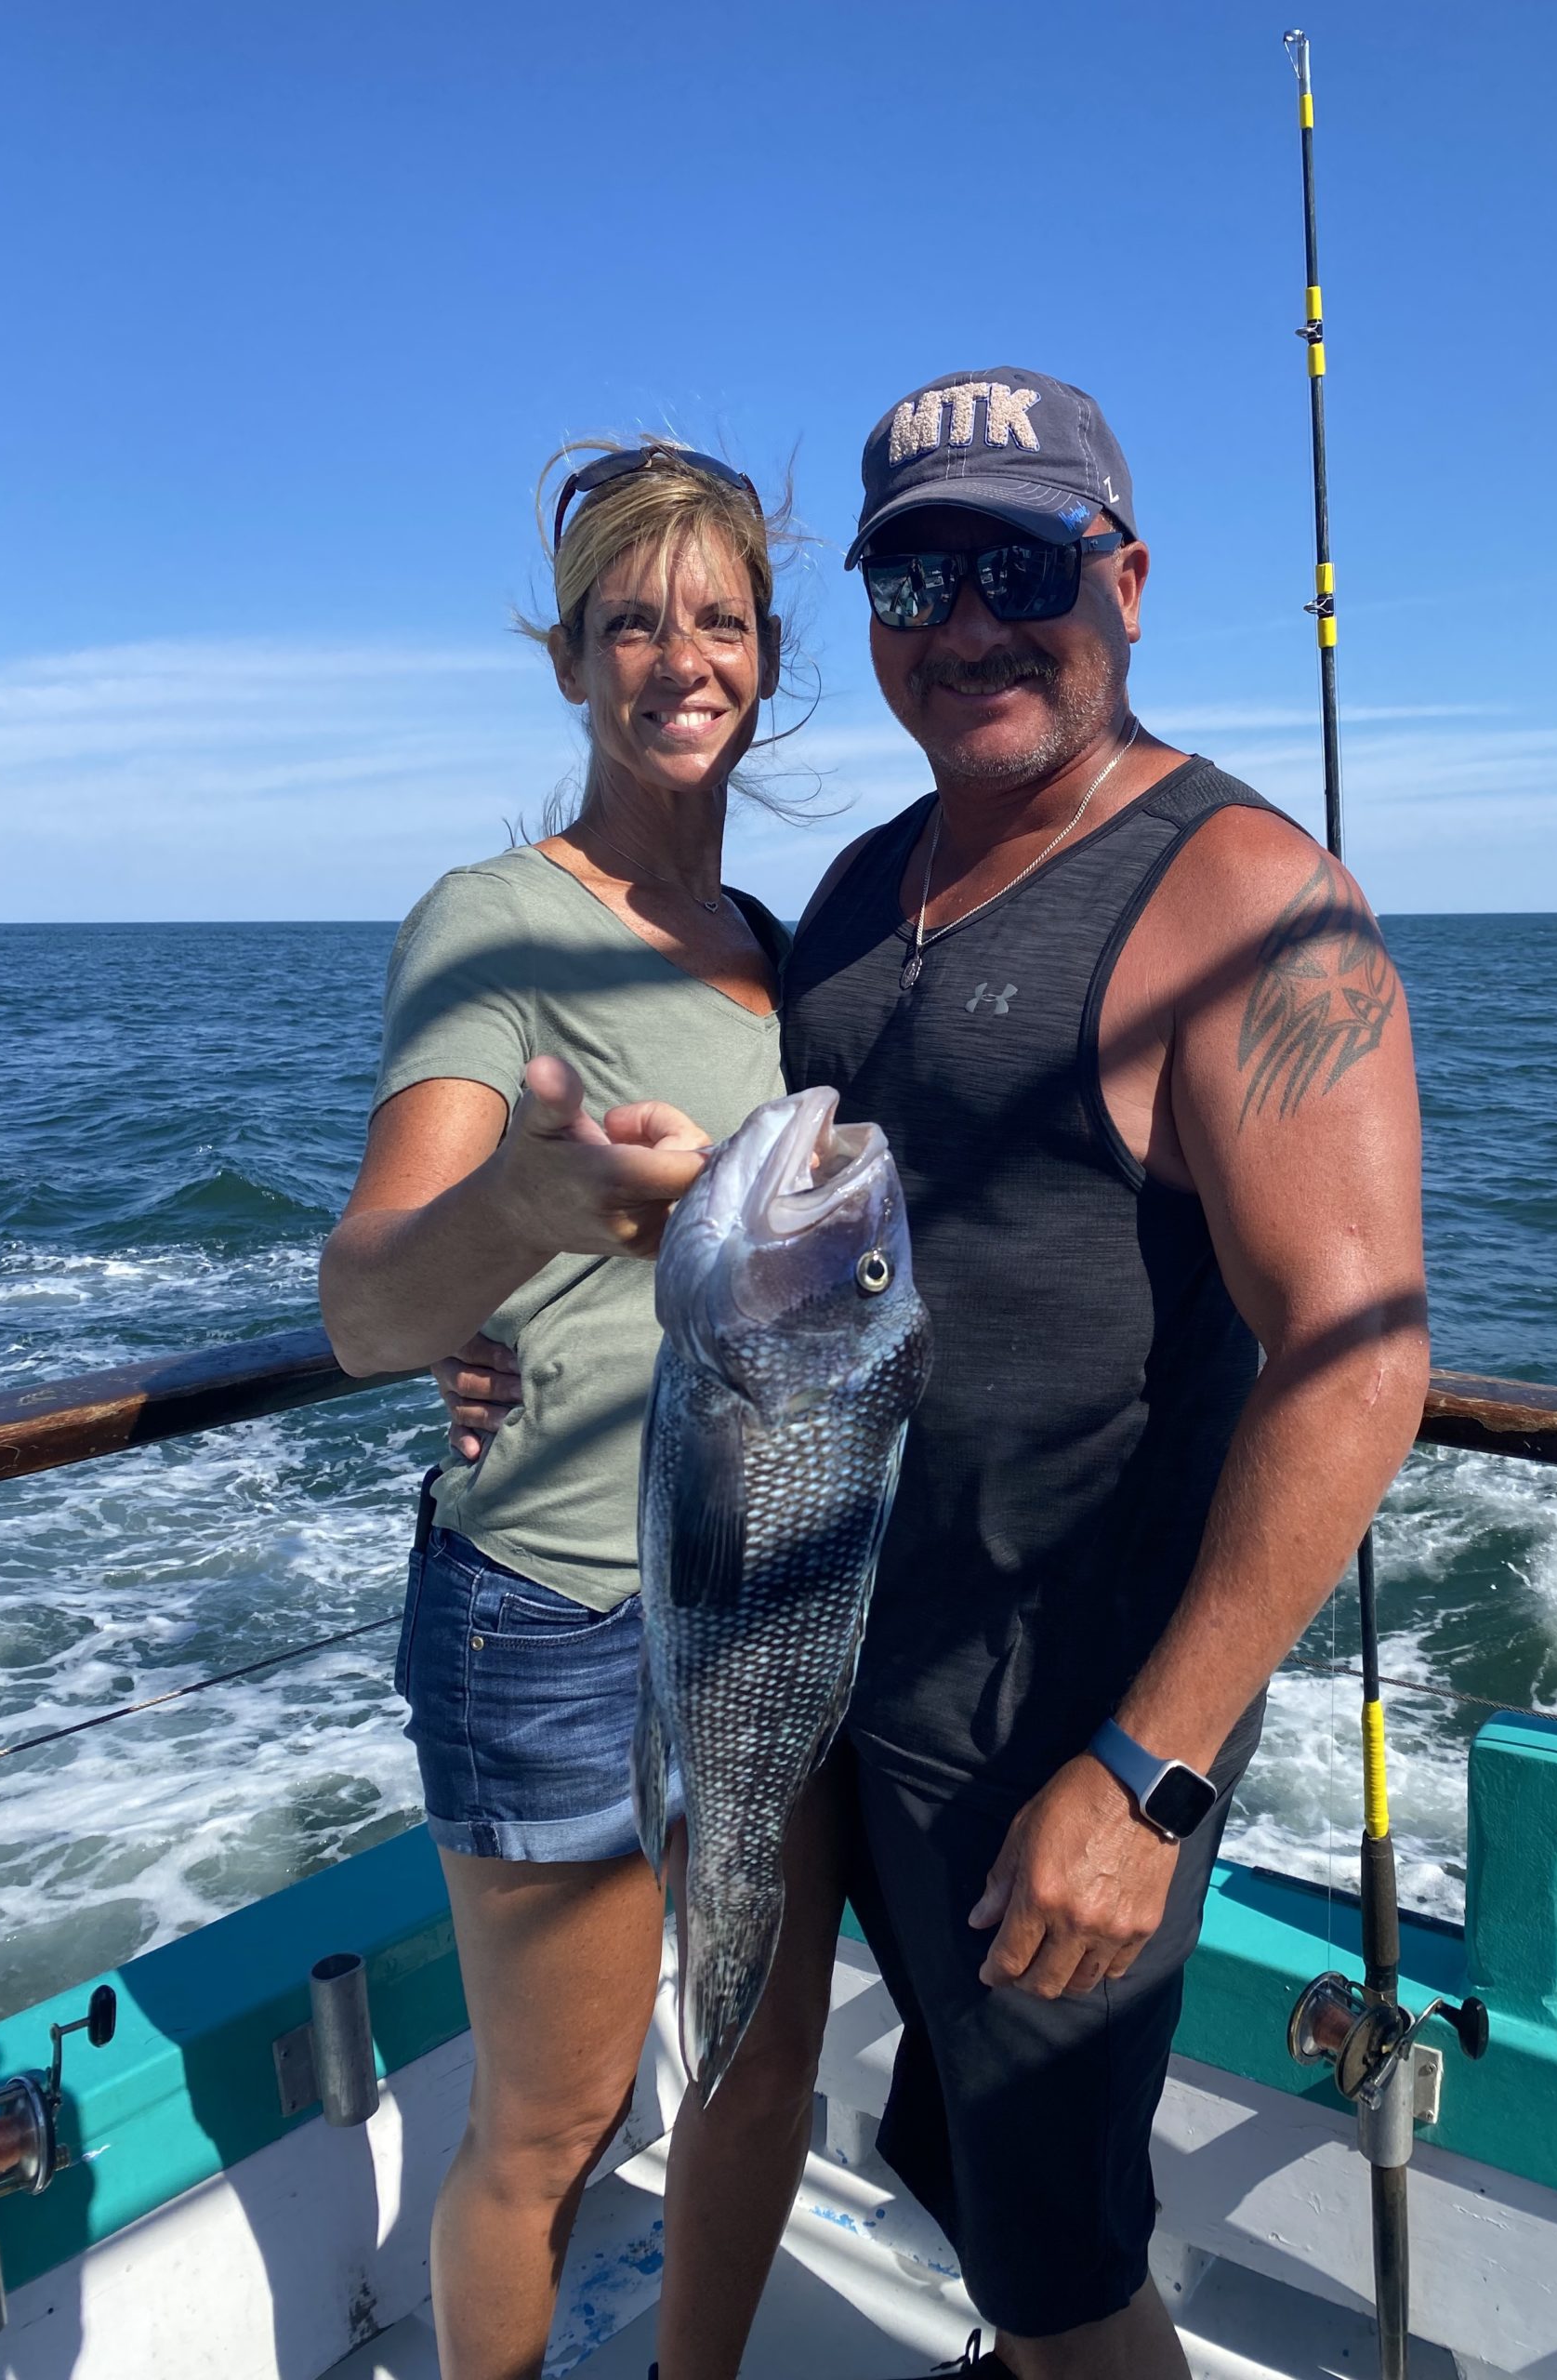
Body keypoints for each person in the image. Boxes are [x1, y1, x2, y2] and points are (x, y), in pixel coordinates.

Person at [439, 369, 1430, 2380]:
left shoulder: (1250, 901)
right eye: (916, 575)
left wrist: (1145, 1774)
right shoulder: (868, 889)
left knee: (1066, 2280)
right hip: (825, 1677)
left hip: (1059, 1740)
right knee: (965, 2178)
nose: (970, 620)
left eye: (1021, 563)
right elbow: (763, 1235)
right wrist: (510, 1312)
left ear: (1125, 579)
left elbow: (1357, 1362)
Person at [319, 440, 843, 2380]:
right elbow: (370, 1302)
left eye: (716, 617)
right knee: (556, 2120)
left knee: (760, 2046)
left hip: (767, 1595)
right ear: (574, 661)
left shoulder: (785, 958)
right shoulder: (495, 922)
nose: (678, 656)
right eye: (635, 619)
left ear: (766, 657)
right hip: (549, 1605)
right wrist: (525, 1207)